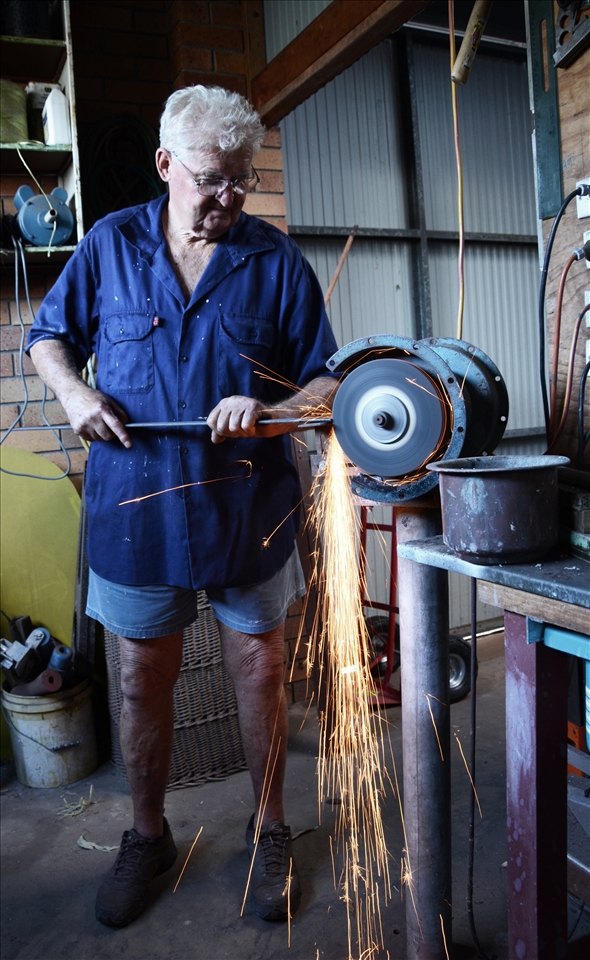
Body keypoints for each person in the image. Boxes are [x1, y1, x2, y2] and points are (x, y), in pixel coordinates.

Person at [27, 85, 338, 929]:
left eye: (241, 180)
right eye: (211, 179)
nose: (229, 198)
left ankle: (270, 827)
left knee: (263, 674)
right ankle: (145, 834)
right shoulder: (108, 246)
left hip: (248, 507)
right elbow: (47, 337)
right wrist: (72, 395)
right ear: (166, 164)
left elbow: (325, 383)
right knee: (139, 680)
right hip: (137, 507)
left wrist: (272, 413)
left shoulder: (275, 260)